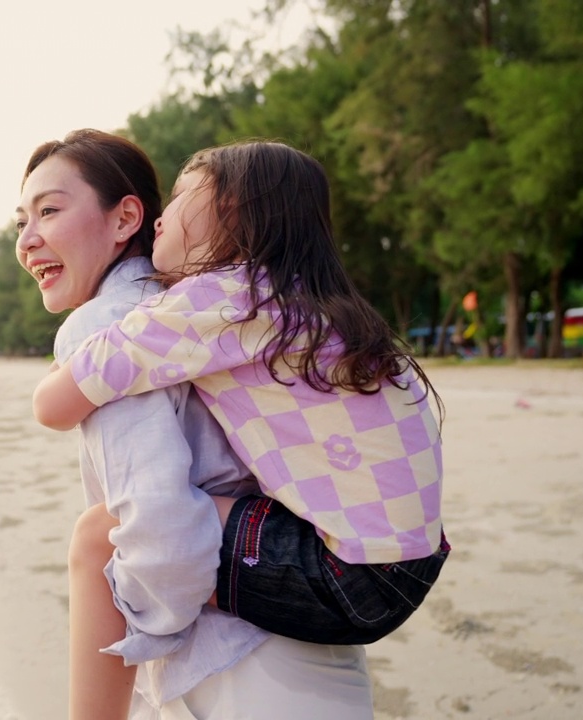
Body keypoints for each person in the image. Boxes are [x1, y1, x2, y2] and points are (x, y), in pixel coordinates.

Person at [33, 140, 449, 717]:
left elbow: (66, 400)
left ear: (236, 220)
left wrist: (52, 379)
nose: (161, 217)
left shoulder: (221, 302)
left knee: (99, 535)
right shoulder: (312, 304)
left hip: (344, 571)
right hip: (411, 564)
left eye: (180, 199)